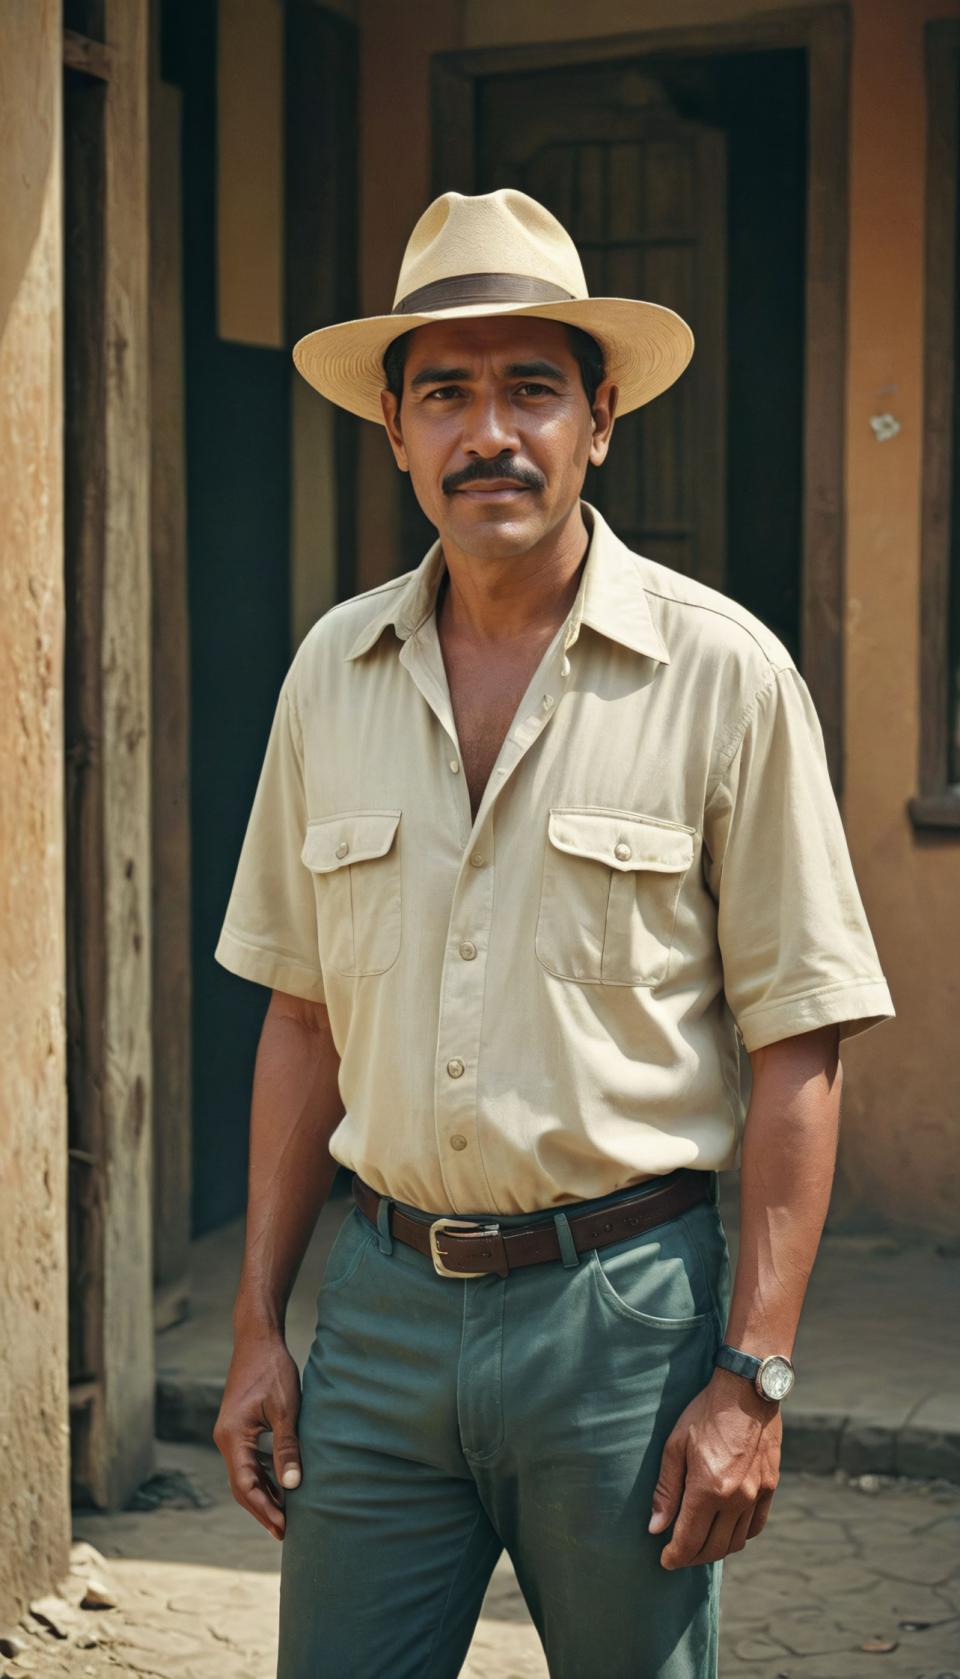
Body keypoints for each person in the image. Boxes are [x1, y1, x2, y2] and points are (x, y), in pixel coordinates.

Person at [211, 189, 895, 1679]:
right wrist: (262, 1327)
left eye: (531, 387)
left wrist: (753, 1379)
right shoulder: (332, 674)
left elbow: (803, 1039)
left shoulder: (725, 677)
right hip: (382, 1319)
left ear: (602, 417)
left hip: (625, 1328)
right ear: (394, 431)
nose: (489, 434)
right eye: (444, 394)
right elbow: (302, 1017)